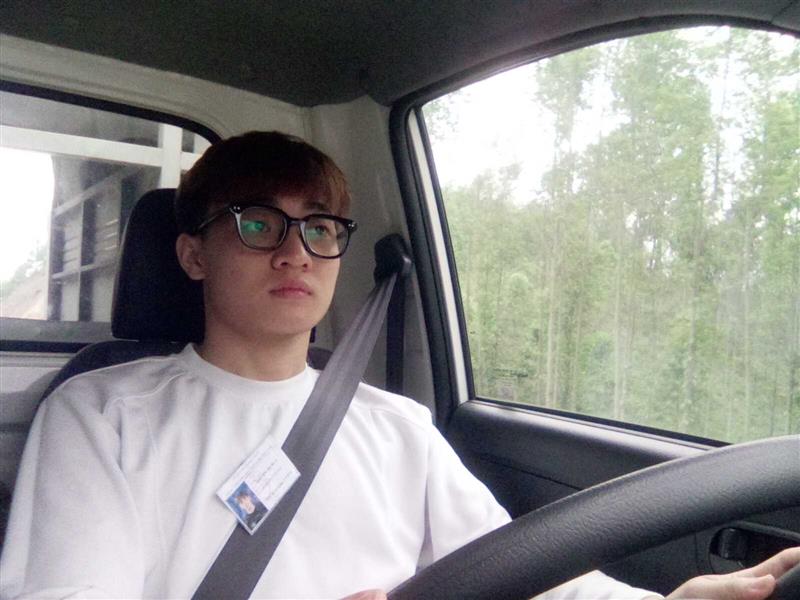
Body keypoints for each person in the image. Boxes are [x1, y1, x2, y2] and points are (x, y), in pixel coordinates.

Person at [0, 131, 796, 600]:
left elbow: (522, 571)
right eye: (258, 223)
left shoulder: (395, 425)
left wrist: (672, 599)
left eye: (319, 228)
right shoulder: (101, 412)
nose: (295, 251)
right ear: (193, 255)